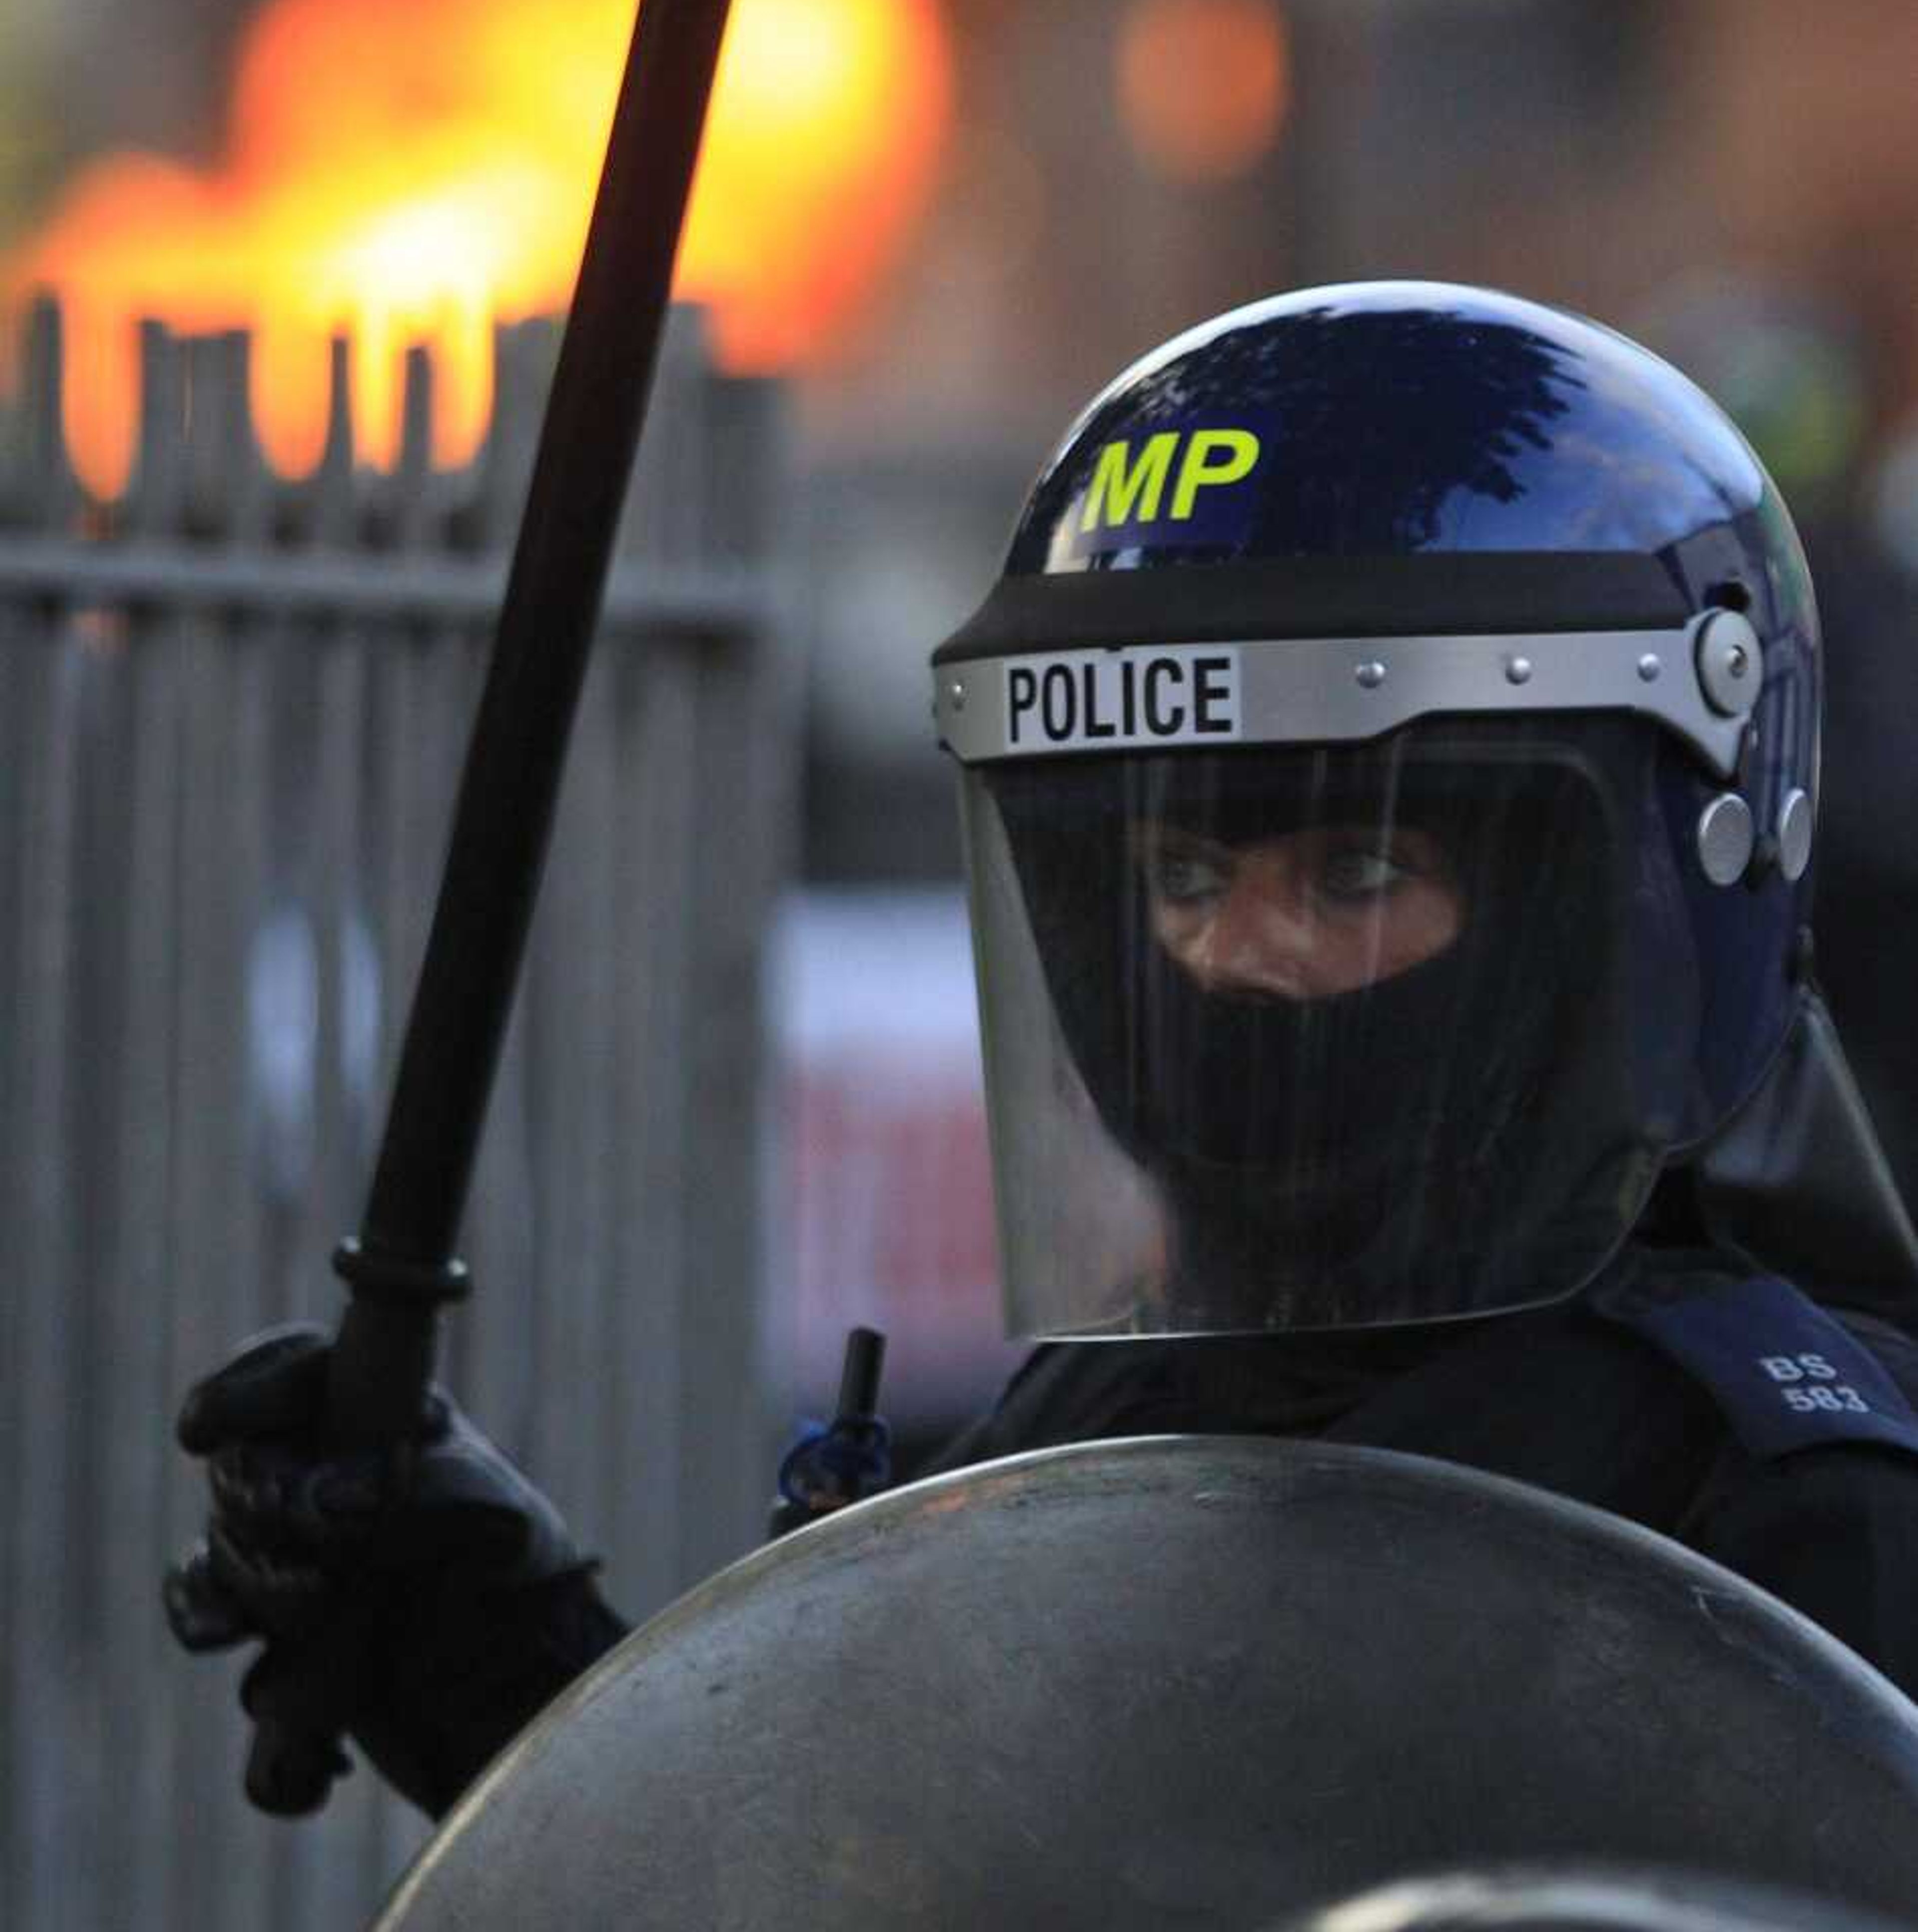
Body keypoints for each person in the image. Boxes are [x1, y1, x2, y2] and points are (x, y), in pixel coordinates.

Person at [166, 280, 1918, 1819]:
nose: (1240, 959)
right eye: (1176, 875)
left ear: (1622, 907)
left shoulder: (1797, 1527)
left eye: (1360, 868)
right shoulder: (1083, 1432)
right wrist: (528, 1684)